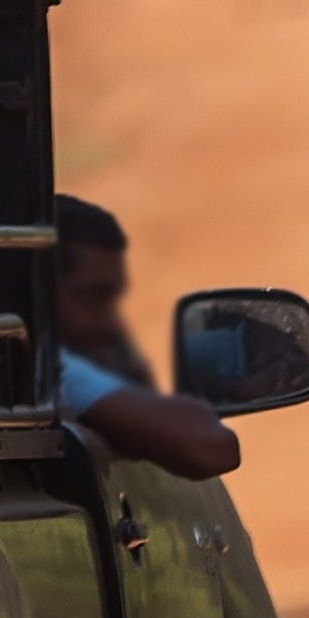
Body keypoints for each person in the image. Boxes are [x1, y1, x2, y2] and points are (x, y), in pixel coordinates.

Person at [51, 195, 242, 478]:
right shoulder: (52, 369)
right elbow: (210, 447)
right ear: (35, 292)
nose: (109, 326)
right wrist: (136, 389)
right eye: (92, 297)